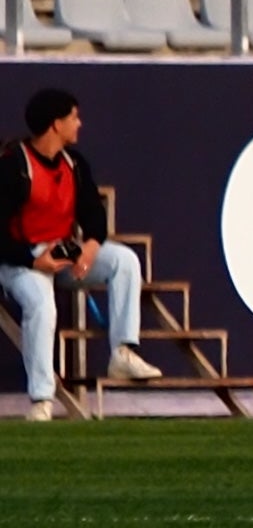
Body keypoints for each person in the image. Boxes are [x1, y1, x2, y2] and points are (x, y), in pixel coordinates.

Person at [4, 90, 159, 420]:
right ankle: (42, 400)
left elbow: (94, 217)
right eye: (74, 117)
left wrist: (88, 249)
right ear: (56, 124)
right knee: (41, 304)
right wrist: (34, 260)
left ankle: (123, 352)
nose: (80, 123)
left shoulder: (74, 163)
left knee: (124, 261)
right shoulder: (15, 165)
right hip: (19, 257)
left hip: (62, 248)